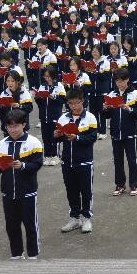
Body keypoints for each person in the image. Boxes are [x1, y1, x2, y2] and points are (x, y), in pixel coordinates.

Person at [0, 109, 43, 260]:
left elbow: (38, 164)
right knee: (11, 226)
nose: (12, 129)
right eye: (9, 126)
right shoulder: (1, 144)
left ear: (24, 125)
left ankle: (33, 254)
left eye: (16, 126)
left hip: (27, 192)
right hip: (8, 193)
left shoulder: (33, 143)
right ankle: (16, 254)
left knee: (30, 225)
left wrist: (23, 166)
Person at [54, 87, 98, 234]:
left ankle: (86, 217)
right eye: (71, 103)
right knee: (71, 190)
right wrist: (57, 135)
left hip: (84, 161)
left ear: (82, 101)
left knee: (86, 191)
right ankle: (75, 217)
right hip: (67, 161)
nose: (74, 106)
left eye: (77, 103)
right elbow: (59, 139)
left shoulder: (90, 118)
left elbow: (92, 138)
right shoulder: (63, 118)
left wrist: (77, 137)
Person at [102, 67, 137, 197]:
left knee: (132, 159)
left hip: (130, 132)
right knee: (117, 160)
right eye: (117, 81)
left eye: (122, 81)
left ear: (127, 80)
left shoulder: (135, 94)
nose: (120, 84)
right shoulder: (112, 94)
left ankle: (134, 185)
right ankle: (120, 185)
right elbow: (107, 116)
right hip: (115, 133)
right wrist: (106, 108)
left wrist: (128, 108)